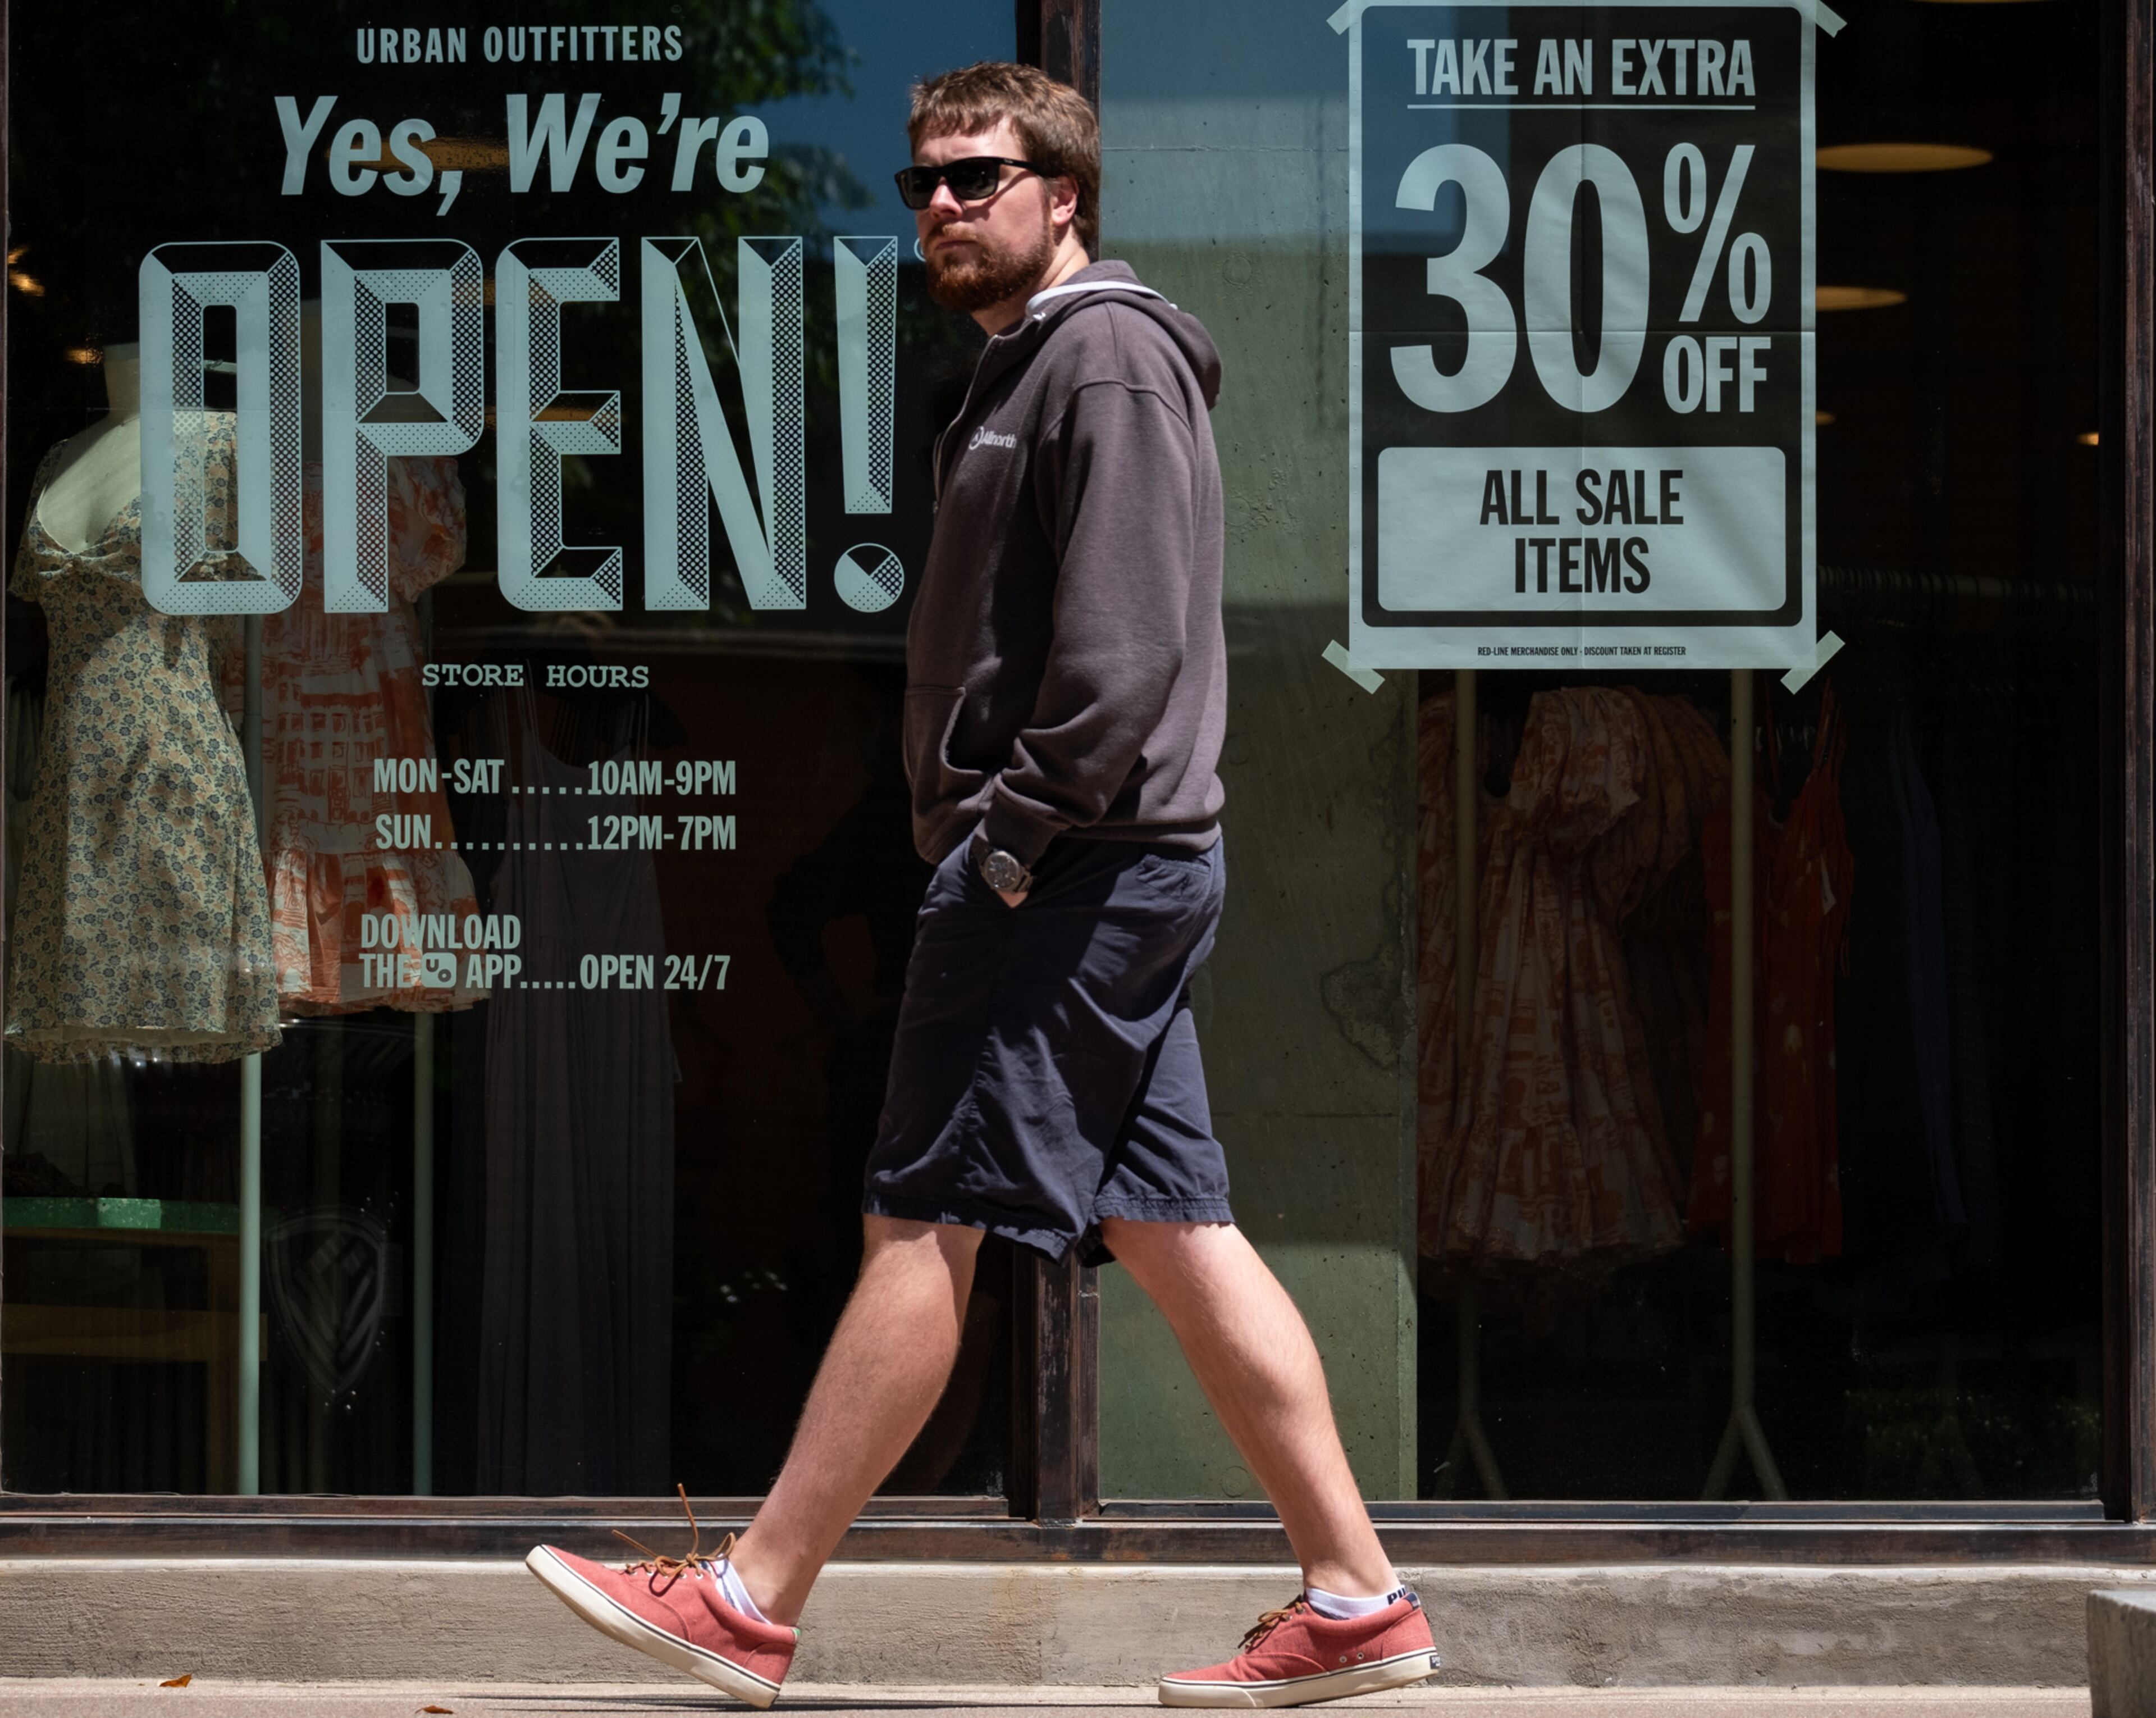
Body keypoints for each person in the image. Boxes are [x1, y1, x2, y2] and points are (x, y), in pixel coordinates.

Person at [524, 61, 1441, 1710]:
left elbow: (1128, 649)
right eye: (921, 182)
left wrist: (1010, 841)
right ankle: (1358, 1594)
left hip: (1071, 868)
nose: (941, 204)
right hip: (1095, 866)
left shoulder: (1107, 363)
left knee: (923, 1214)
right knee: (1173, 1224)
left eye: (978, 174)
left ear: (1063, 192)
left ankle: (752, 1592)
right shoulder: (1037, 366)